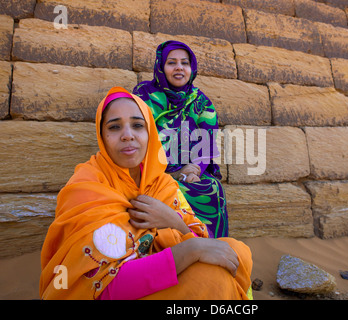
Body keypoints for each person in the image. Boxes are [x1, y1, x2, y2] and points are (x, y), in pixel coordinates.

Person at [39, 87, 252, 300]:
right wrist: (188, 251)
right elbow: (101, 286)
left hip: (161, 275)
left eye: (138, 125)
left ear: (150, 133)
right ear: (102, 136)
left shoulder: (161, 184)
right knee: (212, 279)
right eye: (114, 127)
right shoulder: (86, 188)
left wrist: (172, 221)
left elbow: (203, 242)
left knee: (237, 251)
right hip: (119, 291)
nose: (127, 135)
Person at [133, 40, 228, 238]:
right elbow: (134, 135)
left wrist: (194, 171)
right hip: (149, 171)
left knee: (211, 188)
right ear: (161, 67)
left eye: (184, 63)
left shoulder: (201, 101)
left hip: (187, 170)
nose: (179, 67)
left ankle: (209, 248)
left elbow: (207, 143)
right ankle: (165, 251)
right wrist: (169, 173)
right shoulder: (144, 95)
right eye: (171, 62)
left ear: (191, 68)